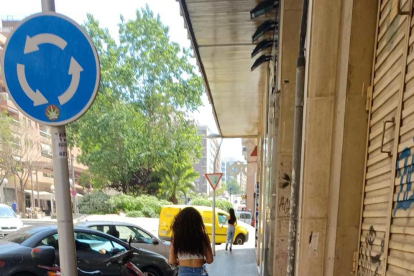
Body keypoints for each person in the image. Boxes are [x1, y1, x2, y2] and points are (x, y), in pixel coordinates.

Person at [169, 207, 213, 276]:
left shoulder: (176, 237)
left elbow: (172, 260)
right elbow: (210, 260)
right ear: (198, 222)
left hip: (184, 272)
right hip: (201, 272)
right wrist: (202, 259)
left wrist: (181, 261)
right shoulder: (203, 237)